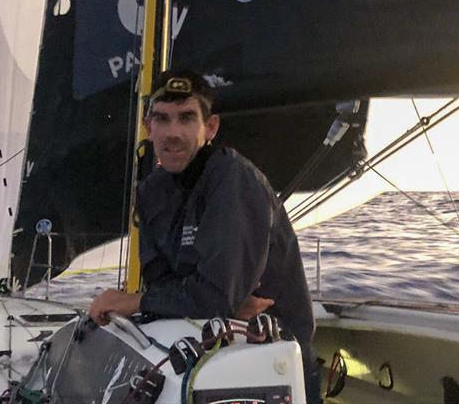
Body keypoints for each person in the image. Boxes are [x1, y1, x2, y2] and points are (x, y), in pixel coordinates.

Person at [89, 70, 319, 402]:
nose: (173, 133)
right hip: (203, 348)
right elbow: (167, 288)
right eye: (162, 119)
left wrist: (133, 301)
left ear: (209, 128)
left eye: (186, 119)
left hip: (275, 363)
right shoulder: (152, 190)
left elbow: (212, 296)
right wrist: (217, 301)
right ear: (147, 126)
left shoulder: (231, 179)